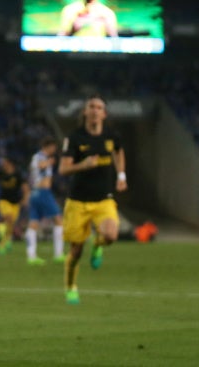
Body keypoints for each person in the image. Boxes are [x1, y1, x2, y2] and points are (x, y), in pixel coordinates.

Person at [58, 94, 126, 304]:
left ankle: (97, 245)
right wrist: (83, 165)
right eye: (91, 107)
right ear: (85, 112)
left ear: (104, 114)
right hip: (78, 201)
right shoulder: (75, 138)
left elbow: (119, 152)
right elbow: (63, 169)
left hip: (103, 199)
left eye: (99, 107)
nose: (95, 110)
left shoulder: (111, 136)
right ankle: (71, 287)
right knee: (76, 251)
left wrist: (121, 175)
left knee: (111, 235)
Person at [25, 136, 65, 266]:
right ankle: (58, 254)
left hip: (35, 192)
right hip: (43, 193)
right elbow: (40, 165)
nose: (54, 150)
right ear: (48, 146)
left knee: (33, 223)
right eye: (53, 147)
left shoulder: (39, 157)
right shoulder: (40, 156)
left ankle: (31, 256)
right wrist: (49, 163)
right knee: (58, 220)